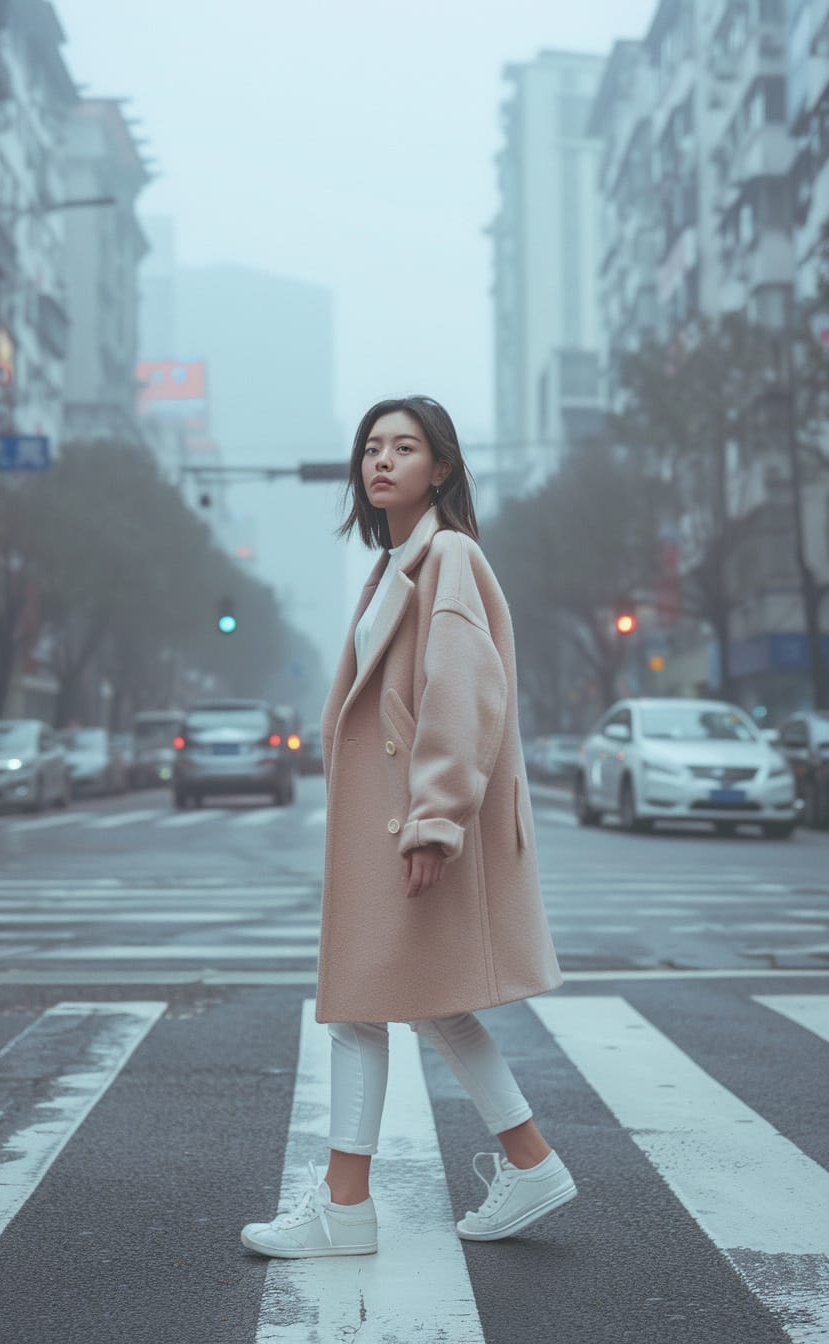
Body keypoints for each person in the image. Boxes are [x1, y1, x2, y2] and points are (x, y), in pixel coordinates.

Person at [241, 396, 575, 1259]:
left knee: (363, 1009)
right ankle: (528, 1161)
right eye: (371, 448)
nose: (381, 461)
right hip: (395, 823)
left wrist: (433, 820)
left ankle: (345, 1210)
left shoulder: (447, 555)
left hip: (410, 827)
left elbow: (463, 688)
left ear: (443, 468)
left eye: (405, 447)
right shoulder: (397, 565)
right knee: (430, 1004)